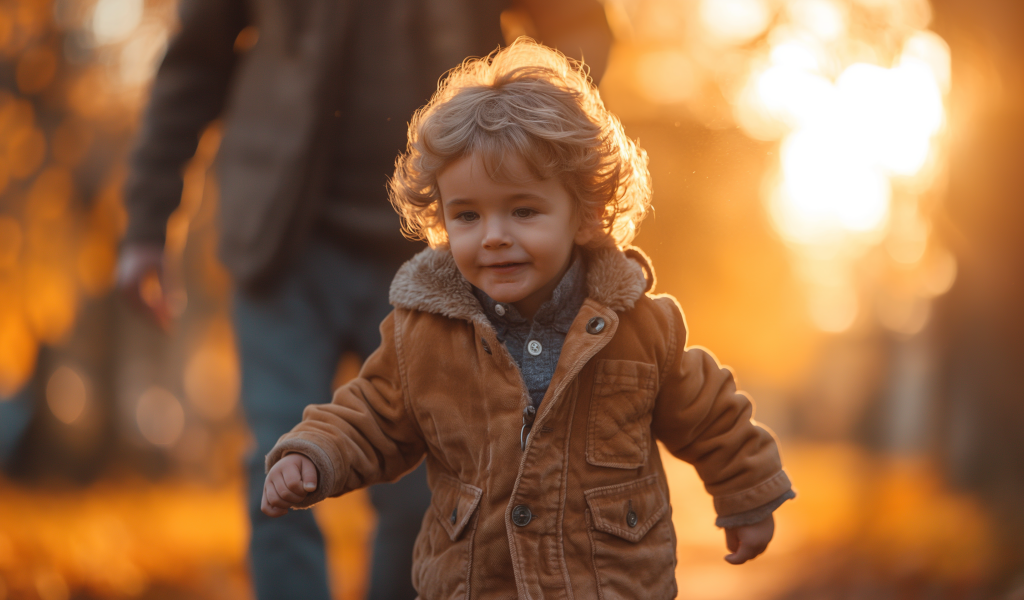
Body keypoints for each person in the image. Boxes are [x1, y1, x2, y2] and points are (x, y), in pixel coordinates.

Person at [262, 39, 795, 599]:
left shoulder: (637, 327)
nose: (494, 235)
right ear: (441, 220)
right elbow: (369, 414)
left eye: (523, 210)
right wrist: (312, 454)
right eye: (467, 215)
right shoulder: (423, 336)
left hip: (608, 585)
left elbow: (710, 414)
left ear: (585, 212)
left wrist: (747, 492)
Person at [115, 1, 612, 599]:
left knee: (430, 487)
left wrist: (532, 141)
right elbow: (195, 60)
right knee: (281, 463)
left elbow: (581, 24)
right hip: (281, 242)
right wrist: (146, 222)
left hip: (444, 254)